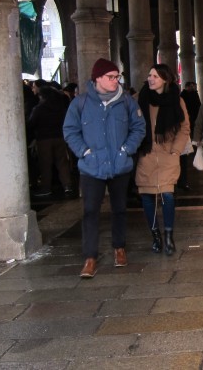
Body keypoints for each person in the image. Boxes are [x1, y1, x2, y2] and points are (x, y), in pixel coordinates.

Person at [63, 58, 146, 278]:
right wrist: (84, 152)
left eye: (117, 76)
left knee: (119, 208)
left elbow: (139, 127)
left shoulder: (127, 102)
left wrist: (127, 149)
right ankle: (90, 257)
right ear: (97, 78)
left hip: (119, 164)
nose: (115, 80)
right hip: (92, 166)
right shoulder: (80, 103)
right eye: (110, 77)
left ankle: (119, 248)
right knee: (91, 211)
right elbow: (70, 130)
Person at [134, 64, 191, 256]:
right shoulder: (140, 99)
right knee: (147, 196)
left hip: (167, 155)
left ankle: (168, 236)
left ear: (165, 80)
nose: (150, 79)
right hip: (147, 154)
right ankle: (155, 235)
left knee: (167, 196)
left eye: (155, 76)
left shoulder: (177, 100)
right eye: (149, 75)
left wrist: (175, 151)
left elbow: (184, 129)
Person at [27, 85, 73, 198]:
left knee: (45, 164)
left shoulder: (39, 108)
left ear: (42, 96)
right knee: (62, 163)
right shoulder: (60, 108)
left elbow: (31, 123)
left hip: (44, 139)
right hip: (60, 137)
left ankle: (46, 188)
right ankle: (67, 186)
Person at [178, 81, 202, 190]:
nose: (193, 87)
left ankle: (182, 181)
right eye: (192, 86)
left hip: (189, 123)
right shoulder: (181, 97)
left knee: (182, 160)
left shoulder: (186, 97)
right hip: (182, 130)